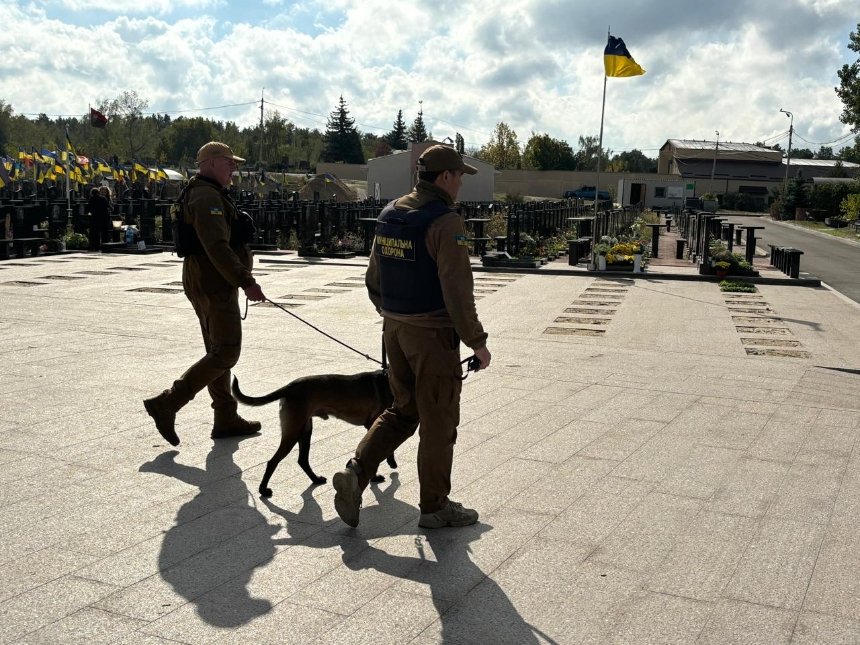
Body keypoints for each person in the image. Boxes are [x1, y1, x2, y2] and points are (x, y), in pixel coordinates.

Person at [332, 144, 492, 529]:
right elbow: (457, 289)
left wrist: (392, 314)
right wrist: (477, 342)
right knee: (439, 421)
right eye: (458, 177)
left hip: (395, 329)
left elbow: (374, 277)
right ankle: (435, 507)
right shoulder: (445, 221)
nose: (460, 185)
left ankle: (357, 471)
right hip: (432, 336)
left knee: (403, 410)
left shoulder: (392, 213)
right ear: (444, 177)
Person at [143, 141, 266, 446]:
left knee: (217, 351)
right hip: (214, 283)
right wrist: (245, 280)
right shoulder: (206, 196)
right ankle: (167, 403)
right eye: (229, 162)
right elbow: (216, 246)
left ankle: (225, 415)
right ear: (210, 163)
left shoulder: (205, 192)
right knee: (226, 351)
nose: (233, 167)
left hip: (208, 280)